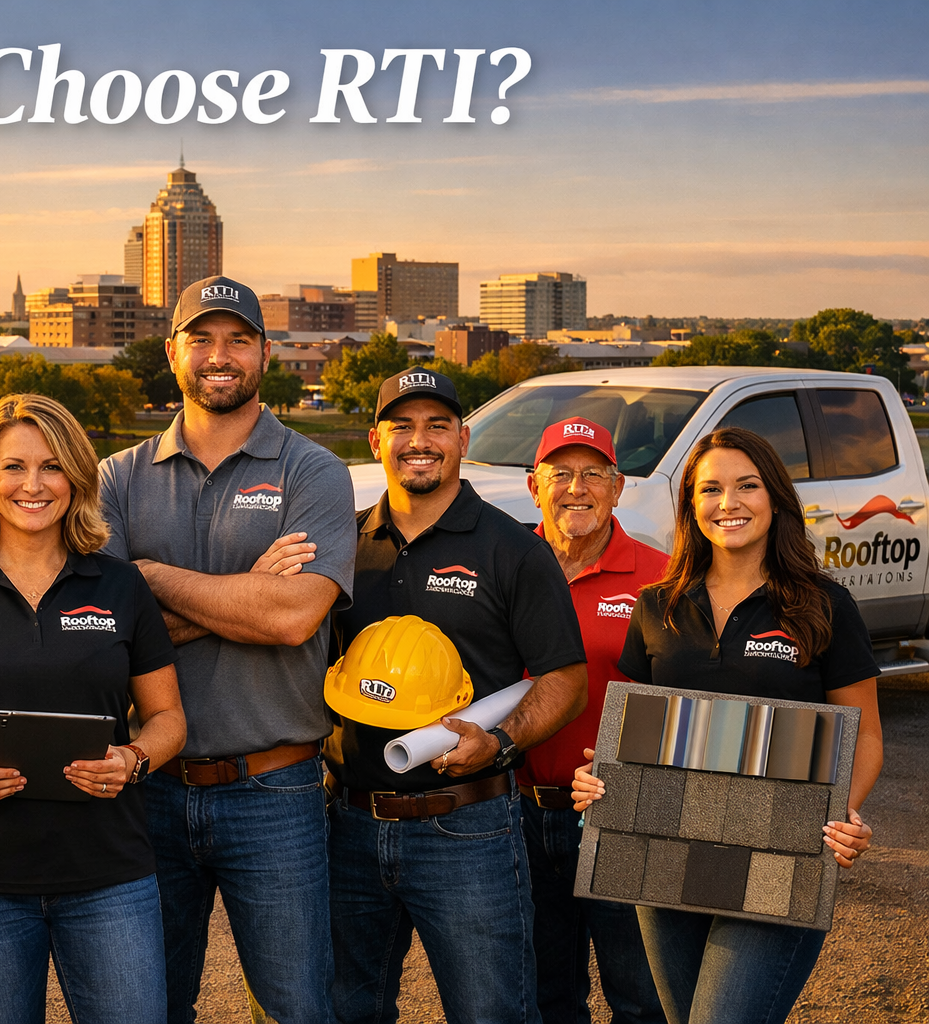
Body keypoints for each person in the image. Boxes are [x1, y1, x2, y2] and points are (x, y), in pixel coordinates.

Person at [0, 393, 186, 1024]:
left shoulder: (121, 584)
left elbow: (169, 719)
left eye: (51, 466)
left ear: (76, 477)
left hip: (108, 875)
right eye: (14, 467)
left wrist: (132, 759)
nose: (33, 485)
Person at [98, 276, 356, 1023]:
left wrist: (148, 579)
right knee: (144, 1005)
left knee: (296, 1009)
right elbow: (106, 637)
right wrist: (246, 590)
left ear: (265, 353)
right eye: (202, 339)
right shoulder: (116, 478)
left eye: (238, 339)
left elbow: (293, 620)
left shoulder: (311, 470)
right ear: (172, 353)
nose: (220, 355)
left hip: (275, 790)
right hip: (146, 785)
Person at [572, 427, 882, 1024]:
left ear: (776, 499)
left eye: (748, 486)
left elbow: (864, 734)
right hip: (663, 851)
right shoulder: (657, 605)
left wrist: (846, 811)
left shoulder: (823, 605)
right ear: (691, 504)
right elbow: (638, 730)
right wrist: (599, 777)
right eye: (710, 489)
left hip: (780, 856)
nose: (729, 503)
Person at [325, 369, 589, 1024]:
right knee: (345, 1010)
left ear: (463, 439)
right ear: (376, 440)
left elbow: (566, 678)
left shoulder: (512, 549)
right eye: (403, 426)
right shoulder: (342, 545)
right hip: (350, 825)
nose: (421, 441)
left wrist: (499, 740)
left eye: (438, 425)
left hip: (467, 828)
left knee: (490, 1012)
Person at [517, 418, 667, 1024]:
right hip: (519, 815)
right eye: (560, 475)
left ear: (618, 486)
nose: (575, 489)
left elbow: (687, 699)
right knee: (546, 997)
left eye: (592, 475)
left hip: (622, 816)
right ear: (534, 487)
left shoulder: (662, 576)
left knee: (640, 999)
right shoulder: (507, 566)